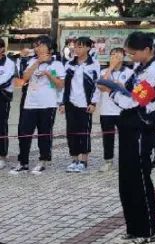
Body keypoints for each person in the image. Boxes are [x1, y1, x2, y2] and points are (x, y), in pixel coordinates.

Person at [98, 32, 155, 244]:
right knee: (127, 179)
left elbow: (135, 99)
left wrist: (111, 92)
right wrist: (115, 90)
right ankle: (133, 227)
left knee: (139, 178)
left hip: (141, 126)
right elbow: (129, 91)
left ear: (148, 50)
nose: (131, 56)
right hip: (128, 124)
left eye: (134, 52)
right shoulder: (140, 68)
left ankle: (148, 229)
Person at [9, 36, 65, 175]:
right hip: (30, 103)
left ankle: (43, 160)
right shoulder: (32, 61)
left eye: (41, 45)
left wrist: (48, 73)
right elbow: (25, 78)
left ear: (49, 47)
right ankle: (23, 162)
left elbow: (59, 85)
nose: (38, 48)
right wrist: (37, 63)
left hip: (47, 104)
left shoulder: (56, 64)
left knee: (44, 133)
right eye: (36, 45)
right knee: (24, 133)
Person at [62, 36, 100, 173]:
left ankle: (84, 160)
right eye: (76, 46)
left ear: (88, 48)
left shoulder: (93, 64)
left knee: (84, 132)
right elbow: (63, 86)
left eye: (81, 46)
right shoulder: (69, 64)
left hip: (85, 104)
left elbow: (97, 85)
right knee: (71, 131)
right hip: (70, 103)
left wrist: (93, 102)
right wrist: (61, 102)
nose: (77, 49)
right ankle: (74, 159)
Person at [97, 47, 129, 173]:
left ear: (124, 56)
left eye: (118, 54)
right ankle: (108, 161)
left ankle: (125, 161)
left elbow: (129, 91)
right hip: (107, 111)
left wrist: (114, 86)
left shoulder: (129, 72)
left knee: (126, 138)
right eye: (112, 54)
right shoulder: (104, 71)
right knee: (108, 137)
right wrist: (111, 68)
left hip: (124, 110)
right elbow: (100, 85)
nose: (115, 56)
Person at [0, 39, 16, 170]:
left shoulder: (9, 63)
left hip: (2, 97)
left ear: (2, 49)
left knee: (1, 127)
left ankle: (2, 157)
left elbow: (5, 80)